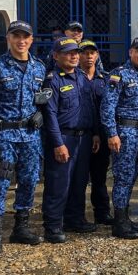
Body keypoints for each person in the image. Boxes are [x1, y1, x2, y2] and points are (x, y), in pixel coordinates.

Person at [0, 20, 47, 248]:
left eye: (25, 37)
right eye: (16, 36)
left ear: (31, 40)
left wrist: (39, 114)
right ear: (8, 39)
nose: (21, 41)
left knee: (29, 181)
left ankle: (21, 228)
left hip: (30, 136)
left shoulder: (39, 67)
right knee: (0, 183)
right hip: (5, 136)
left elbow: (41, 99)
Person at [40, 37, 99, 242]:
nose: (74, 56)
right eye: (68, 53)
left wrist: (95, 133)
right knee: (59, 184)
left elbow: (90, 108)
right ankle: (53, 226)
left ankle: (75, 219)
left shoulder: (82, 77)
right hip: (63, 138)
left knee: (79, 182)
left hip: (83, 138)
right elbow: (49, 114)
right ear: (56, 56)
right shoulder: (53, 80)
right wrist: (58, 143)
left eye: (76, 52)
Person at [101, 37, 138, 240]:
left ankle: (125, 217)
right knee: (123, 177)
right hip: (125, 133)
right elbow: (107, 106)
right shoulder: (119, 74)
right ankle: (119, 222)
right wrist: (112, 133)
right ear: (130, 52)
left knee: (133, 176)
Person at [79, 40, 112, 225]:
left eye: (92, 53)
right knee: (79, 177)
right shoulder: (73, 77)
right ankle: (78, 215)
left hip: (102, 135)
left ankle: (102, 212)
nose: (89, 56)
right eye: (85, 53)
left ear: (97, 55)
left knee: (99, 176)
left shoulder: (105, 79)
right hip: (82, 135)